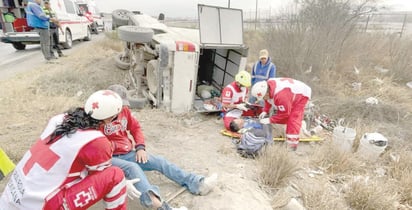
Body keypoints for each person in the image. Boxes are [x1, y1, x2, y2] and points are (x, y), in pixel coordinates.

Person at [0, 90, 143, 209]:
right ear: (111, 117)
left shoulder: (59, 119)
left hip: (12, 198)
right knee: (115, 175)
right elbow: (99, 177)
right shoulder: (96, 141)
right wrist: (122, 183)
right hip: (41, 204)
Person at [100, 84, 218, 210]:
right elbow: (97, 149)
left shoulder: (124, 111)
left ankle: (197, 184)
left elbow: (135, 128)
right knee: (133, 168)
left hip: (126, 153)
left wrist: (140, 148)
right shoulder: (98, 117)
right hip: (108, 158)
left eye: (122, 104)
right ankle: (163, 208)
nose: (121, 107)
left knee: (159, 161)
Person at [251, 78, 311, 151]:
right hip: (291, 92)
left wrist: (270, 120)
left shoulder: (281, 96)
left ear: (266, 93)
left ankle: (292, 145)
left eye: (263, 97)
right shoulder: (268, 87)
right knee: (284, 117)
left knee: (293, 118)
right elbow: (268, 99)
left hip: (302, 94)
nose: (263, 99)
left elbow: (285, 114)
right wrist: (265, 110)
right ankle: (301, 126)